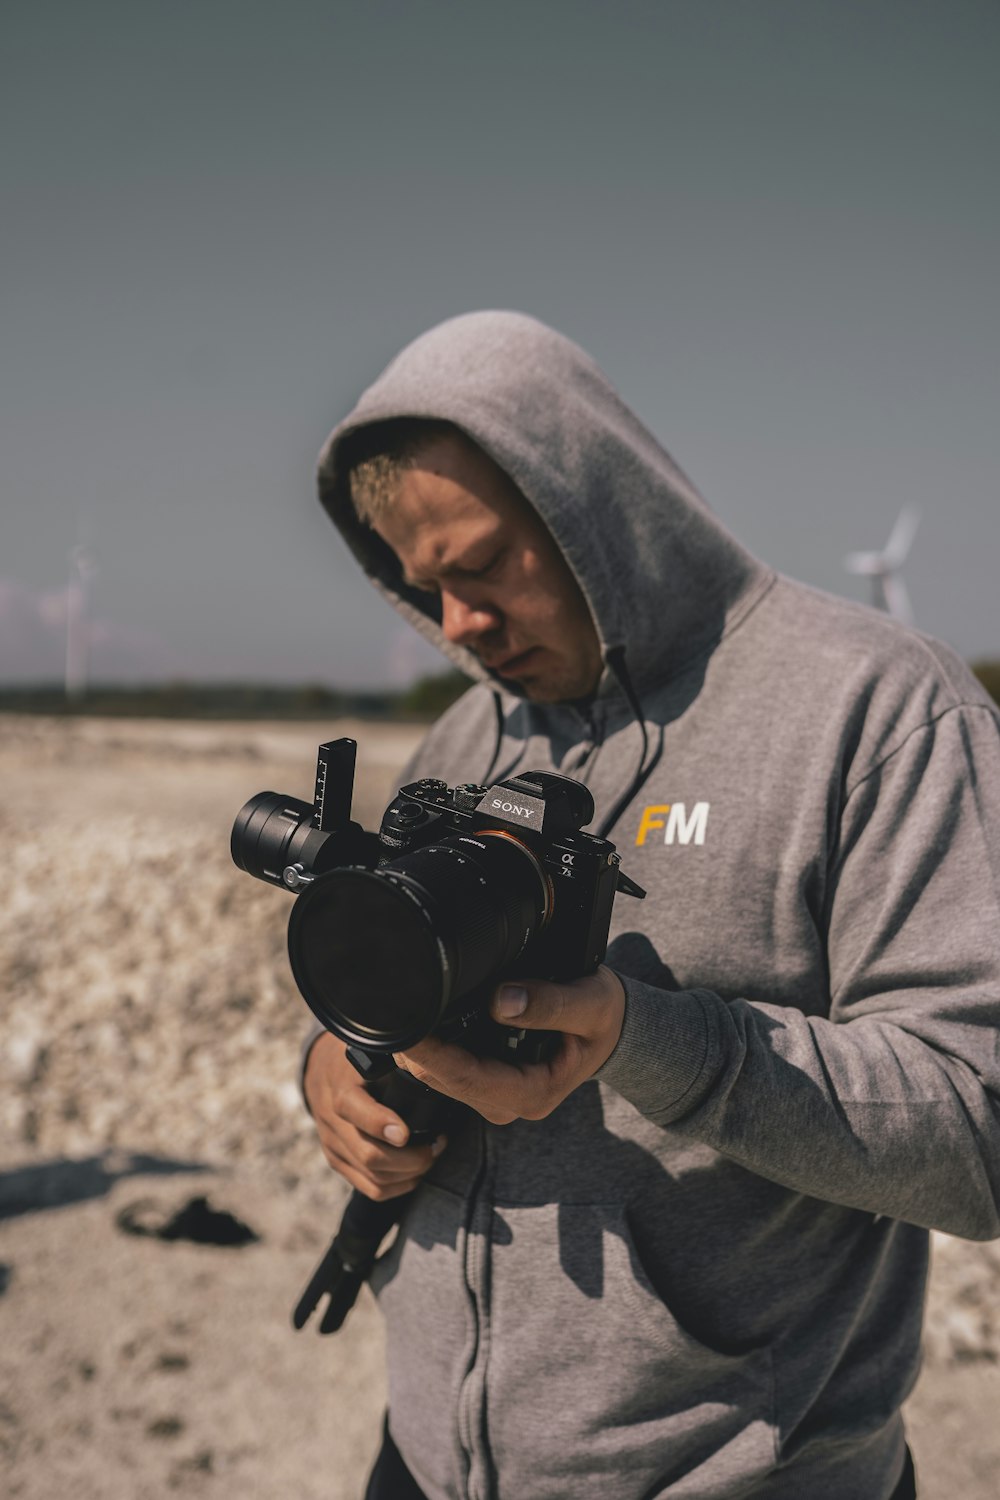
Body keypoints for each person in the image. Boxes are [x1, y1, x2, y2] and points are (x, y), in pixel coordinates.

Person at [301, 311, 1000, 1500]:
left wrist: (648, 1041)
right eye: (424, 587)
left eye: (481, 564)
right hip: (423, 1461)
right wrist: (335, 1061)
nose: (459, 625)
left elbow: (979, 1134)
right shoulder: (467, 736)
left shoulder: (879, 711)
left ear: (596, 504)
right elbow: (394, 980)